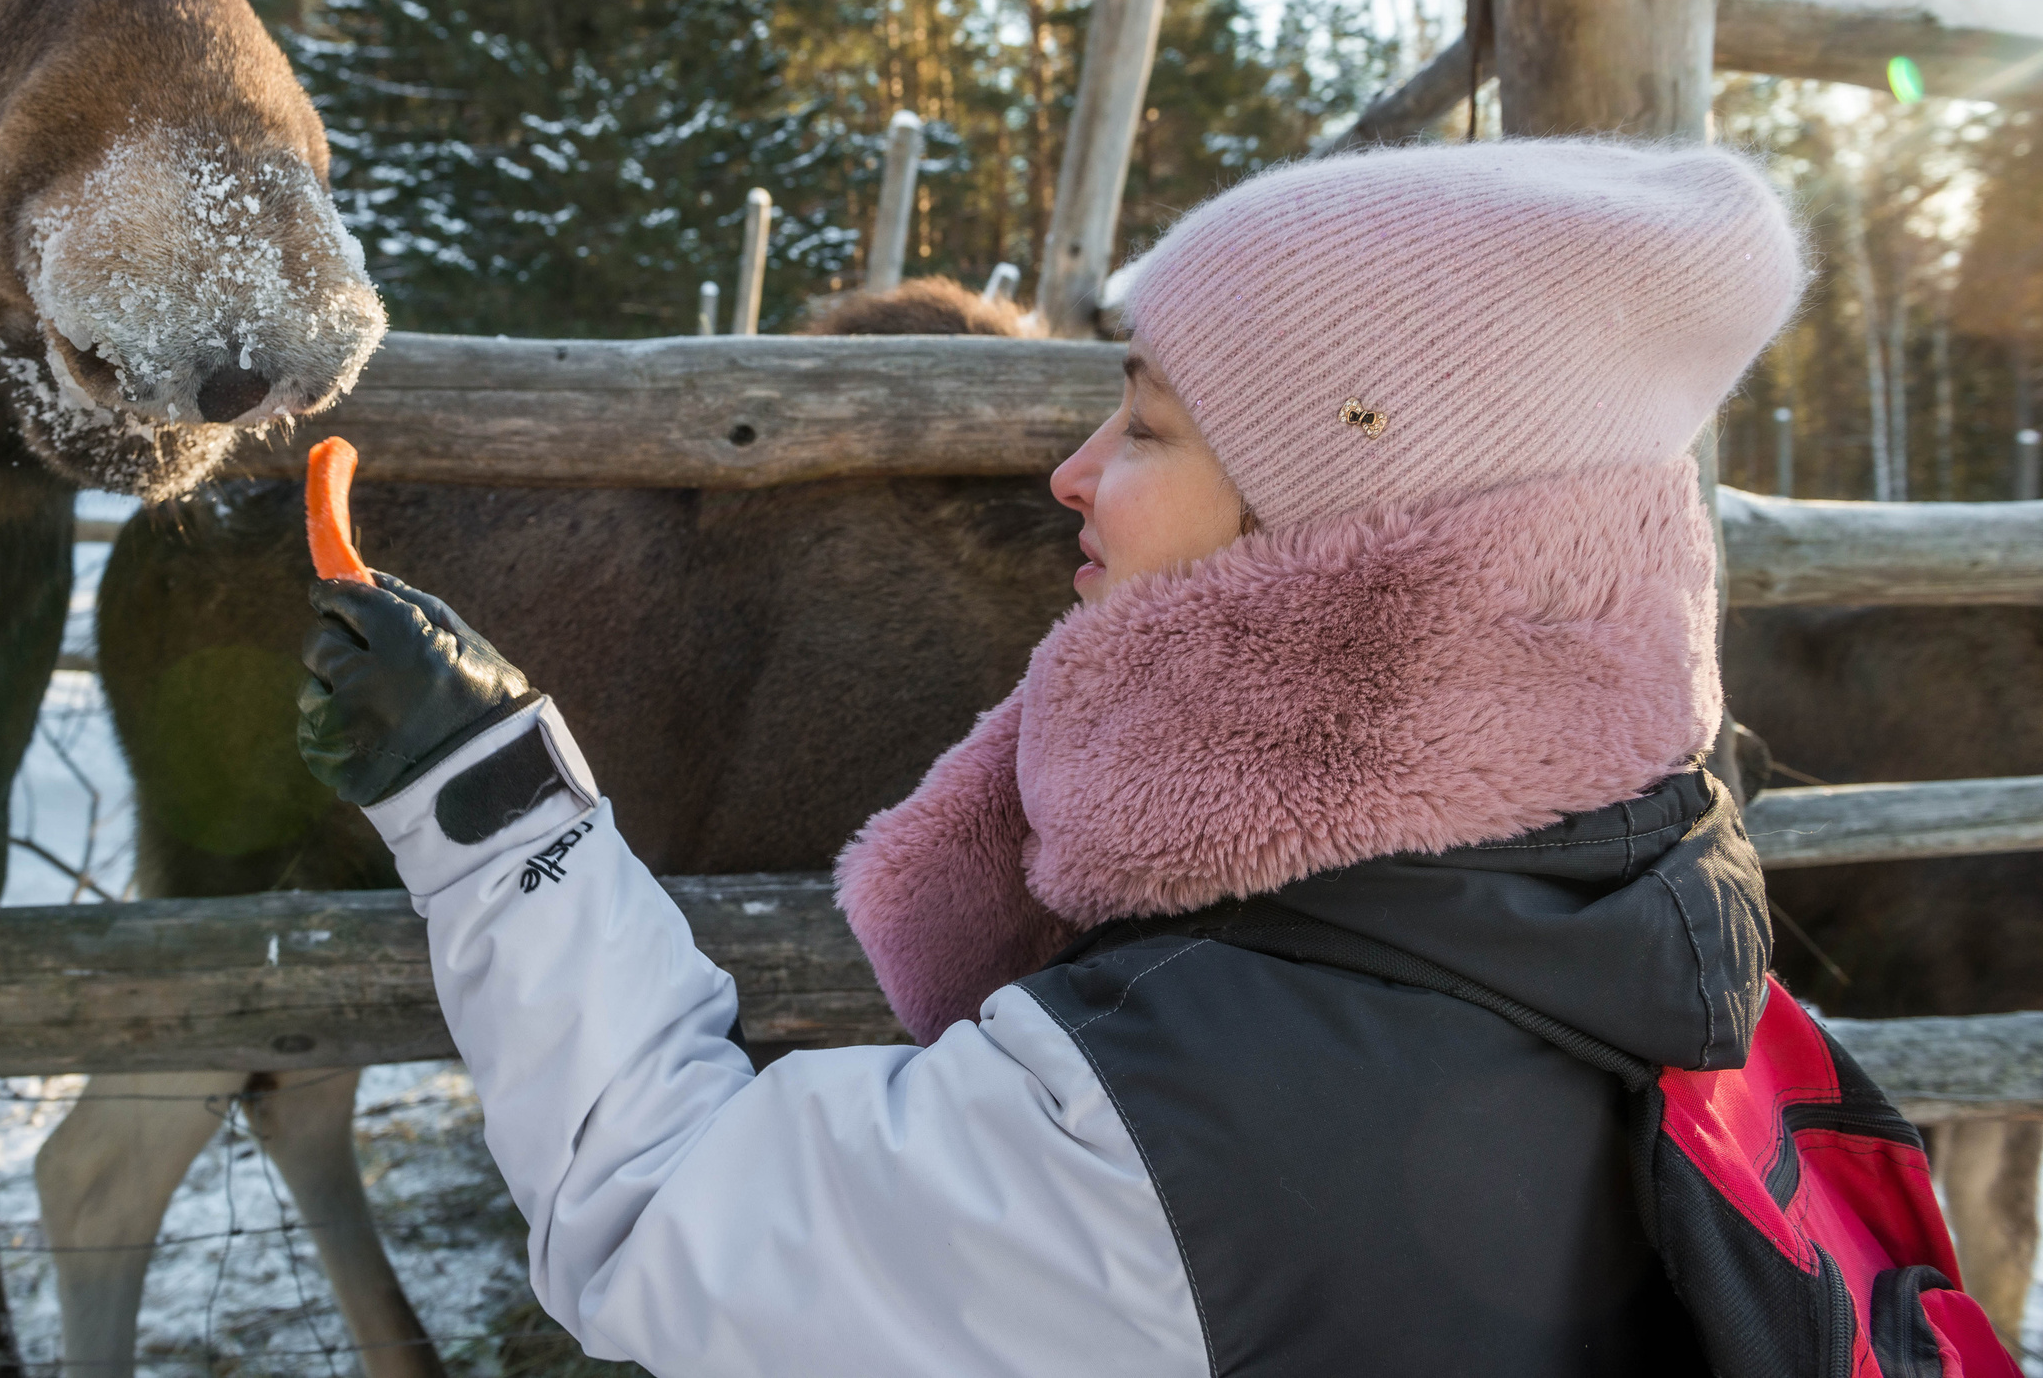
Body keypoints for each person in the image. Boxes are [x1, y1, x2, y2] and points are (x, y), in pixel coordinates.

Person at [295, 139, 1808, 1376]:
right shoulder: (1667, 923)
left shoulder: (1182, 1139)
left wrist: (489, 803)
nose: (1073, 471)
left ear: (1340, 536)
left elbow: (661, 1214)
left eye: (1146, 426)